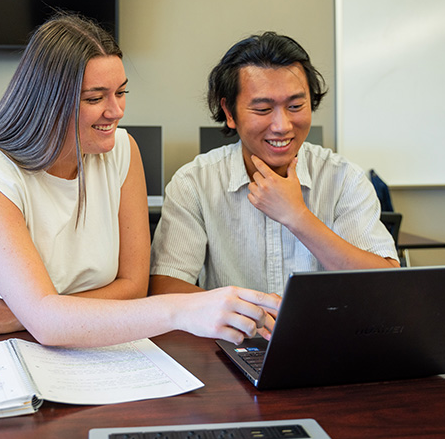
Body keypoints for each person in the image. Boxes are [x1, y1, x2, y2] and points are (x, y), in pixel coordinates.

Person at [0, 12, 279, 347]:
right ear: (47, 101)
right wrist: (182, 309)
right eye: (95, 98)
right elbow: (48, 321)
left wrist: (27, 314)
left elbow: (132, 286)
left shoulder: (123, 151)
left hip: (74, 332)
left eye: (121, 92)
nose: (116, 111)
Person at [149, 32, 399, 296]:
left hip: (328, 336)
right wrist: (253, 312)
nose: (282, 126)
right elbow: (166, 289)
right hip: (231, 336)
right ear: (229, 113)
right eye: (263, 109)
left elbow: (388, 288)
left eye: (295, 105)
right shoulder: (194, 184)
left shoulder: (345, 179)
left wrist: (297, 217)